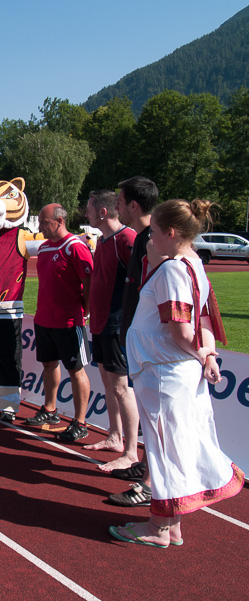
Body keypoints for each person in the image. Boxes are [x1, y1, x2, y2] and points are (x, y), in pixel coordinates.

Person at [109, 198, 244, 548]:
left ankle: (158, 527)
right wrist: (207, 354)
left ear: (171, 233)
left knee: (164, 450)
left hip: (164, 372)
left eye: (154, 232)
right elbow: (204, 319)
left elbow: (182, 330)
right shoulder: (193, 263)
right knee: (173, 446)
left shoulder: (173, 270)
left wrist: (202, 353)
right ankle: (171, 525)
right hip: (169, 370)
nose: (149, 238)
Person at [108, 176, 159, 507]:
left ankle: (150, 484)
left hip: (150, 343)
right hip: (136, 337)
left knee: (154, 417)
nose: (116, 207)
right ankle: (146, 468)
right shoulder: (142, 238)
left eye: (120, 201)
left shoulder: (152, 240)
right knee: (147, 411)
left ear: (133, 205)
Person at [25, 204, 94, 442]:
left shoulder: (75, 247)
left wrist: (86, 311)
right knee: (48, 364)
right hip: (44, 318)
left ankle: (80, 421)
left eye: (44, 222)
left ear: (60, 221)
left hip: (69, 321)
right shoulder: (44, 247)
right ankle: (50, 409)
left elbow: (89, 282)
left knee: (75, 369)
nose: (40, 227)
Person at [83, 190, 139, 470]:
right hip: (101, 323)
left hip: (117, 326)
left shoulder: (127, 239)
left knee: (121, 386)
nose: (86, 214)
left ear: (103, 212)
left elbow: (140, 282)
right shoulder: (103, 241)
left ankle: (131, 452)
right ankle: (115, 436)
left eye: (89, 209)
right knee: (107, 382)